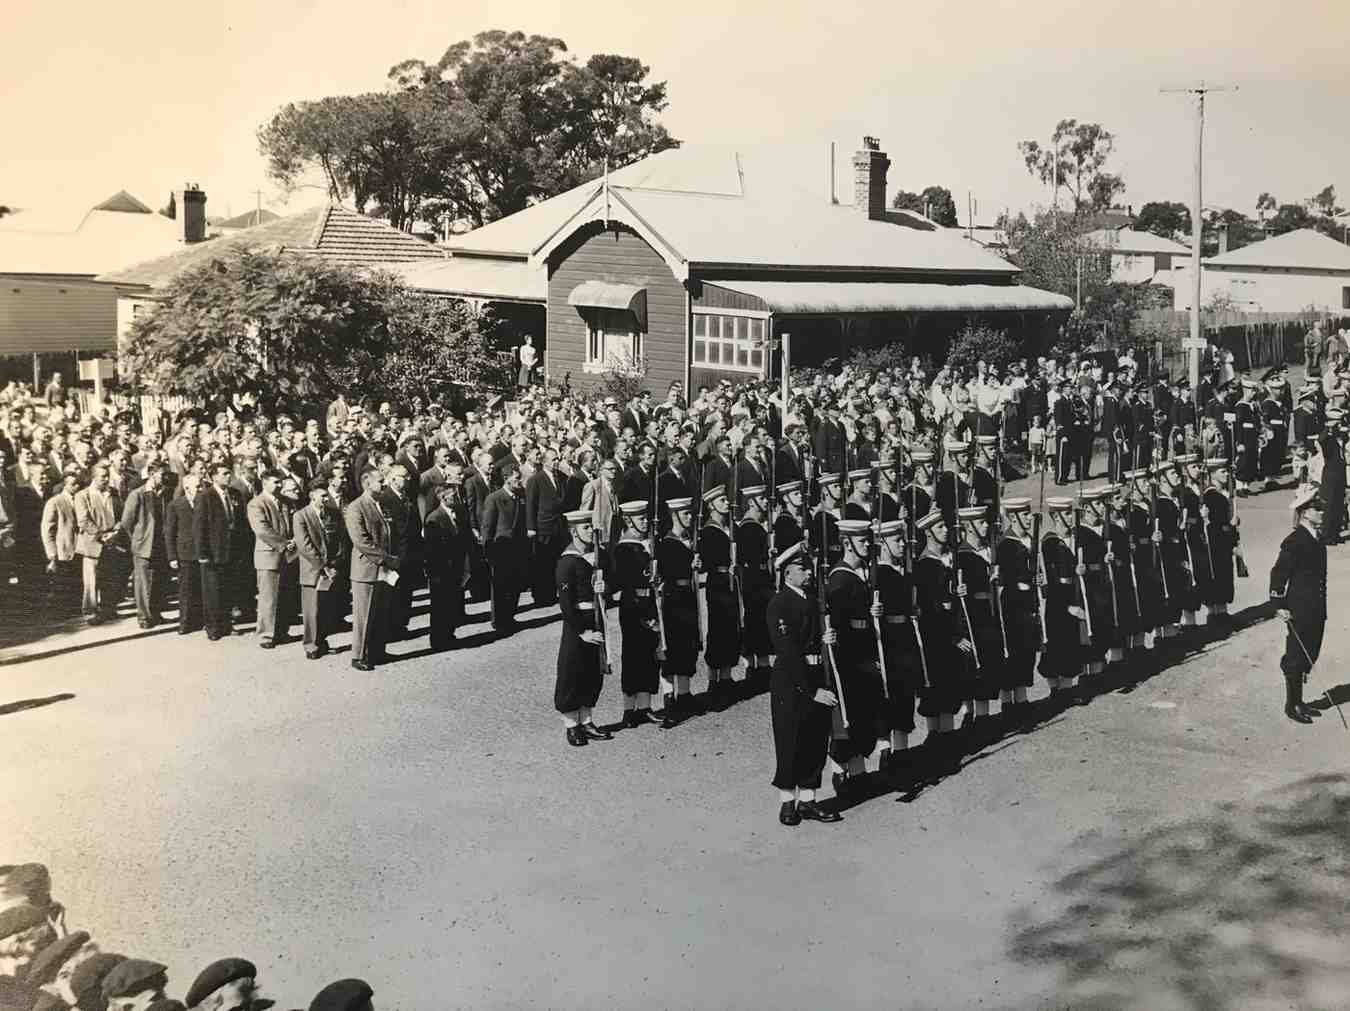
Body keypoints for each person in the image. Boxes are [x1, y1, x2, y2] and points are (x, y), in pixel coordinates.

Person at [766, 540, 842, 826]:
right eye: (802, 568)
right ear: (787, 572)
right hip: (792, 682)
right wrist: (811, 691)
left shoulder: (813, 601)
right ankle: (787, 801)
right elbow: (788, 651)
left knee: (814, 739)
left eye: (809, 568)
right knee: (790, 740)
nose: (809, 573)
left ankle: (808, 800)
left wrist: (826, 640)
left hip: (817, 674)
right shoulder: (780, 604)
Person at [554, 508, 614, 747]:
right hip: (577, 624)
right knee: (572, 671)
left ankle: (587, 720)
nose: (591, 530)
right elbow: (566, 604)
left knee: (592, 671)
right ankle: (571, 724)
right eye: (585, 527)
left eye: (591, 526)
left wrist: (605, 588)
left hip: (596, 617)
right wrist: (582, 632)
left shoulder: (598, 555)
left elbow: (613, 583)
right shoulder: (567, 562)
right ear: (573, 531)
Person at [1269, 488, 1327, 724]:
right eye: (1317, 508)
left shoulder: (1316, 537)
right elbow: (1278, 573)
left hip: (1316, 606)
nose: (1322, 512)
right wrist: (1278, 604)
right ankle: (1292, 704)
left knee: (1310, 651)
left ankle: (1300, 701)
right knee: (1296, 654)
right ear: (1305, 512)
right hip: (1300, 607)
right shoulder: (1294, 541)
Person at [345, 467, 398, 672]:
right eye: (381, 481)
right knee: (364, 615)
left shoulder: (382, 503)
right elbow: (361, 541)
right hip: (367, 568)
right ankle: (359, 655)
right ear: (367, 484)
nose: (385, 484)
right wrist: (386, 559)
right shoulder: (356, 507)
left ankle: (377, 651)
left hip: (383, 567)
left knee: (381, 612)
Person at [247, 470, 295, 649]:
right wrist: (284, 544)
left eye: (281, 482)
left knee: (284, 595)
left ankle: (281, 631)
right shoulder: (256, 504)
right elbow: (262, 529)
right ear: (264, 482)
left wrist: (293, 541)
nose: (280, 485)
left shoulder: (285, 501)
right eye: (276, 482)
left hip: (288, 554)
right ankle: (267, 635)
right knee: (268, 597)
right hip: (268, 555)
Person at [120, 459, 169, 628]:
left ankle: (155, 613)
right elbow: (126, 522)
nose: (165, 478)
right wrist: (138, 539)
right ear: (152, 474)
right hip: (144, 545)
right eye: (162, 474)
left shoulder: (164, 493)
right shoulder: (137, 494)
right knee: (143, 584)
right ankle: (144, 617)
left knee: (158, 581)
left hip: (160, 544)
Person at [294, 477, 339, 659]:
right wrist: (323, 565)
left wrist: (334, 563)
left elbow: (339, 539)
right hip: (312, 570)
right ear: (312, 496)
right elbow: (304, 545)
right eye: (323, 496)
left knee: (325, 608)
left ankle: (322, 640)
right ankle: (310, 645)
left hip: (330, 569)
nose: (326, 499)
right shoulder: (300, 516)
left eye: (327, 495)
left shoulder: (332, 514)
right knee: (311, 610)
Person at [73, 463, 124, 624]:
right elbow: (83, 520)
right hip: (93, 543)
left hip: (112, 541)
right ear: (93, 477)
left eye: (108, 475)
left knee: (110, 577)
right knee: (92, 579)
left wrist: (115, 532)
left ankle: (108, 609)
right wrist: (101, 535)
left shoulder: (113, 492)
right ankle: (91, 611)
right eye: (103, 476)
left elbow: (121, 514)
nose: (106, 479)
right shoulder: (83, 495)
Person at [481, 461, 527, 632]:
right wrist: (487, 550)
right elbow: (487, 527)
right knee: (501, 586)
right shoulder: (494, 498)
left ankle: (510, 616)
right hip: (501, 549)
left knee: (515, 584)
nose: (520, 481)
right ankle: (499, 621)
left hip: (517, 548)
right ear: (506, 478)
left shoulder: (520, 495)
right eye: (517, 478)